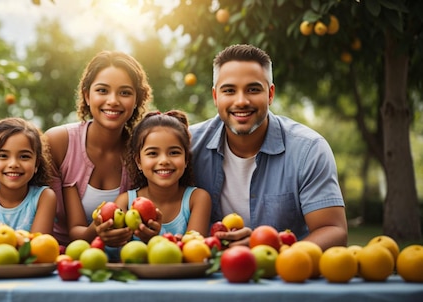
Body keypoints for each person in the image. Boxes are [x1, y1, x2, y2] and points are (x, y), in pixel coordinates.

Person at [189, 44, 347, 251]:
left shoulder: (308, 150)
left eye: (253, 89)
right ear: (215, 96)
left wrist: (266, 246)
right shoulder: (188, 147)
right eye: (229, 90)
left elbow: (334, 230)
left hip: (284, 276)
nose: (241, 101)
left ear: (270, 94)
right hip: (205, 273)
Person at [45, 50, 152, 246]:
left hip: (121, 259)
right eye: (102, 90)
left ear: (137, 99)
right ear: (87, 95)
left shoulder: (143, 152)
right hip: (59, 257)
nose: (113, 100)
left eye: (125, 92)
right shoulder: (58, 142)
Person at [108, 110, 211, 245]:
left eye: (174, 152)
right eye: (153, 153)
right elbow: (116, 254)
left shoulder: (198, 199)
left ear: (186, 159)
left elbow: (195, 251)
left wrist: (155, 239)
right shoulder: (125, 202)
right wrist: (109, 237)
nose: (164, 161)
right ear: (139, 161)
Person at [0, 117, 56, 234]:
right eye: (3, 156)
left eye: (24, 156)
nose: (13, 164)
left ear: (36, 164)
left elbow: (38, 245)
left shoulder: (44, 197)